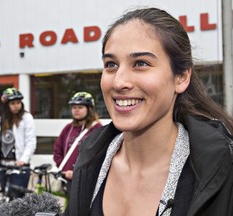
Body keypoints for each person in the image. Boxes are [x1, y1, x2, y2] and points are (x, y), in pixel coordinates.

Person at [65, 7, 233, 216]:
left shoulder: (220, 172)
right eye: (111, 64)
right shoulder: (90, 160)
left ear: (181, 77)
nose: (118, 82)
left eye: (141, 63)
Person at [0, 87, 36, 208]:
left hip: (19, 167)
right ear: (7, 105)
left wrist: (24, 159)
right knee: (5, 200)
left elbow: (31, 141)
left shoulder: (27, 118)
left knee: (18, 202)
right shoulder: (1, 120)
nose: (16, 105)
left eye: (18, 102)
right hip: (3, 165)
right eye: (13, 103)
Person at [53, 91, 102, 195]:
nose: (76, 110)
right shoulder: (68, 128)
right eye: (74, 107)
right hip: (66, 178)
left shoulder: (97, 128)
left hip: (85, 180)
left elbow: (97, 156)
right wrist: (63, 169)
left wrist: (77, 173)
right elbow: (57, 149)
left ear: (89, 109)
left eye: (80, 107)